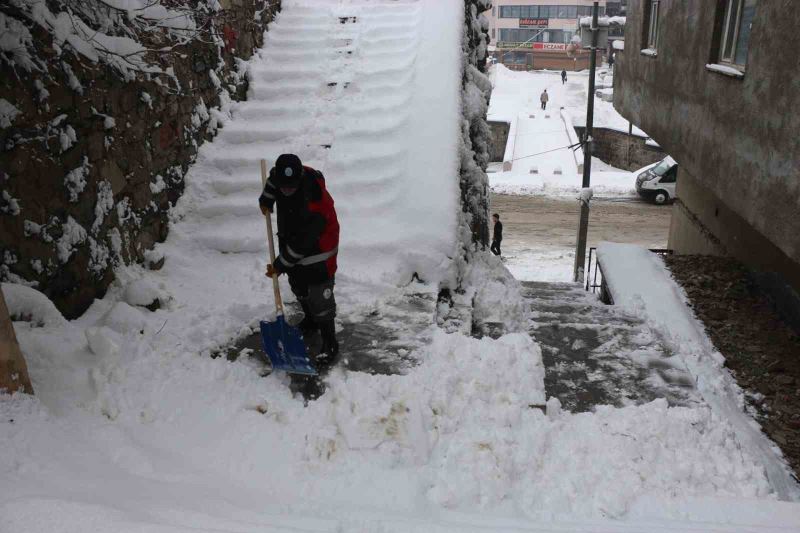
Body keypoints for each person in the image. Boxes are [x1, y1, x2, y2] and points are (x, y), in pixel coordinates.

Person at [259, 154, 340, 362]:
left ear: (300, 179)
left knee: (319, 296)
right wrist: (266, 199)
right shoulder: (280, 178)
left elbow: (304, 243)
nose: (286, 190)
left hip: (319, 251)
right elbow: (272, 184)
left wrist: (280, 264)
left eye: (290, 187)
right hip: (293, 242)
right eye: (283, 187)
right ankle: (310, 321)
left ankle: (330, 342)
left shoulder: (314, 201)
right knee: (298, 286)